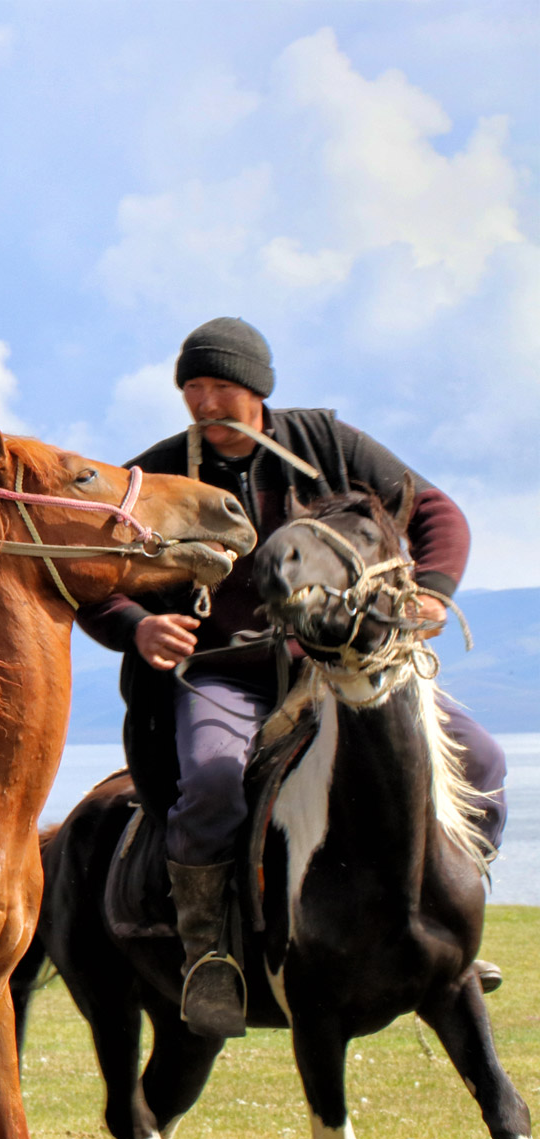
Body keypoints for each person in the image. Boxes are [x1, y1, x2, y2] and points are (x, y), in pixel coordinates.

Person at [76, 317, 508, 1038]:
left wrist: (432, 588)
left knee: (484, 759)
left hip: (339, 669)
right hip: (221, 677)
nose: (206, 403)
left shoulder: (329, 446)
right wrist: (136, 626)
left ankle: (455, 922)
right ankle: (209, 951)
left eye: (222, 387)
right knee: (212, 781)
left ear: (257, 390)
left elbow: (438, 512)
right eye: (193, 388)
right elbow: (93, 573)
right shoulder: (157, 472)